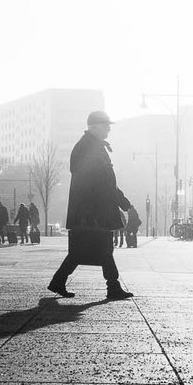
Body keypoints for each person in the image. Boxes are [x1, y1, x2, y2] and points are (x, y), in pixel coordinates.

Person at [47, 110, 134, 300]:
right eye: (106, 126)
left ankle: (60, 281)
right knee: (97, 249)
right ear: (94, 127)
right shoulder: (88, 147)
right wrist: (91, 211)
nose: (109, 130)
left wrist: (122, 202)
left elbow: (107, 182)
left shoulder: (93, 146)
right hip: (92, 211)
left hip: (94, 210)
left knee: (90, 251)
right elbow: (90, 183)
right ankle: (112, 287)